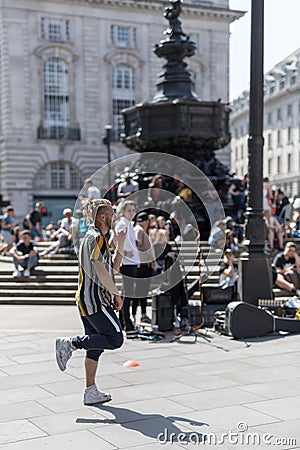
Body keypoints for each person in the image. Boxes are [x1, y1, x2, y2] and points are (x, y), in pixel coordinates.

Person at [55, 199, 126, 405]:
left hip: (88, 300)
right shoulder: (95, 238)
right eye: (111, 213)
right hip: (95, 301)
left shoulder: (98, 238)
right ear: (102, 216)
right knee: (115, 339)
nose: (114, 217)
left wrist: (120, 245)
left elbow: (113, 268)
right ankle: (70, 343)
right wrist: (117, 294)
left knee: (95, 347)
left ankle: (90, 391)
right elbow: (100, 270)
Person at [114, 200, 140, 329]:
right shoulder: (122, 224)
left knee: (128, 293)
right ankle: (126, 322)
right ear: (123, 211)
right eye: (129, 210)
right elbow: (115, 241)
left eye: (133, 210)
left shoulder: (129, 224)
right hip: (126, 263)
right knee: (128, 294)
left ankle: (123, 321)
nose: (132, 213)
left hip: (132, 262)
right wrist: (123, 253)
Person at [134, 212, 155, 323]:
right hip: (142, 266)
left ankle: (141, 314)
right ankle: (137, 314)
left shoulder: (140, 230)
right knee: (140, 292)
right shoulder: (139, 230)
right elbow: (137, 243)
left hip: (143, 265)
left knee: (141, 292)